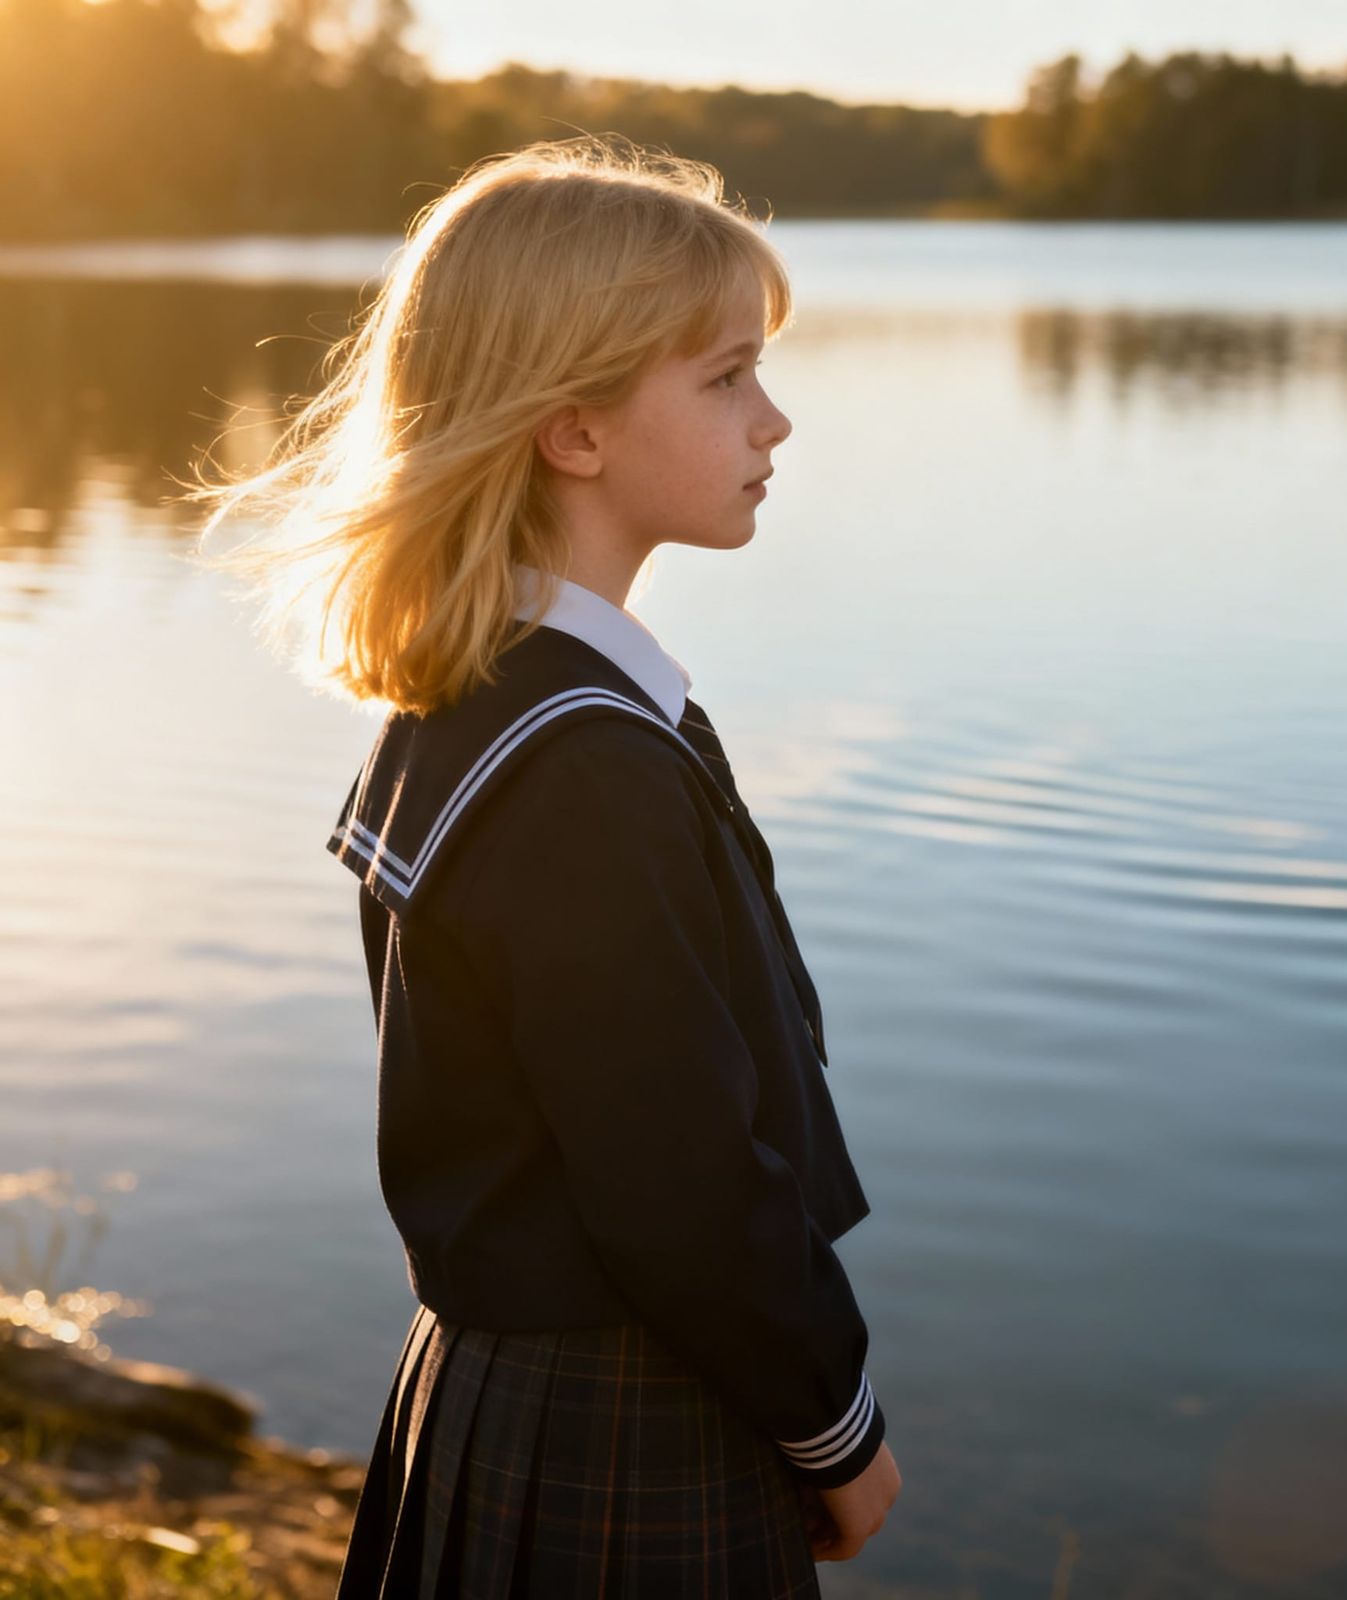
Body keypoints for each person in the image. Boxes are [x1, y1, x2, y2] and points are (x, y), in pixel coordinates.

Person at [181, 134, 900, 1595]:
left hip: (505, 1381)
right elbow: (682, 1180)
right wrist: (836, 1425)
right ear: (573, 428)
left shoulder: (478, 698)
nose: (776, 422)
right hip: (629, 1409)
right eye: (725, 380)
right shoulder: (581, 768)